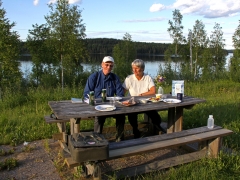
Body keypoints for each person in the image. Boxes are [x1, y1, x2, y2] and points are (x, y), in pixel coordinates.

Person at [83, 56, 125, 141]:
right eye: (106, 65)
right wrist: (92, 101)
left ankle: (120, 139)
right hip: (98, 107)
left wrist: (115, 100)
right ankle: (97, 139)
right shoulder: (94, 77)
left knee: (121, 115)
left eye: (111, 65)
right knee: (99, 118)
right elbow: (86, 94)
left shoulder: (115, 78)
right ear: (102, 64)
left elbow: (120, 94)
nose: (109, 67)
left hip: (111, 106)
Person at [122, 59, 166, 138]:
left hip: (146, 102)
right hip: (133, 103)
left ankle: (157, 127)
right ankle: (135, 130)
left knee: (155, 115)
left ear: (142, 69)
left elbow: (153, 91)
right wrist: (124, 100)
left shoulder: (147, 78)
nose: (134, 70)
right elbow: (122, 92)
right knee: (131, 115)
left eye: (137, 68)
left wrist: (141, 94)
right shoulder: (129, 78)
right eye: (133, 68)